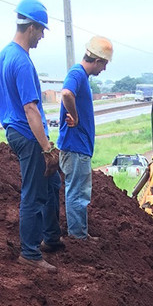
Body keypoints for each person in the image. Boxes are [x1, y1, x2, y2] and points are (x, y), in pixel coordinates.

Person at [0, 0, 62, 272]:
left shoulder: (4, 55)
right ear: (31, 27)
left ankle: (50, 238)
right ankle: (30, 254)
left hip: (16, 129)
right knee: (33, 194)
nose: (42, 36)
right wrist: (47, 148)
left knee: (53, 184)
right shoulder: (21, 62)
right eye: (42, 30)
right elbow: (31, 109)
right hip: (28, 134)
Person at [57, 36, 113, 240]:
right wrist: (76, 115)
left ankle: (80, 234)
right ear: (97, 60)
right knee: (77, 194)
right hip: (75, 147)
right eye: (104, 64)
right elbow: (65, 94)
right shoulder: (77, 73)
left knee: (79, 192)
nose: (104, 69)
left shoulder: (81, 76)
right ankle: (78, 239)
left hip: (79, 147)